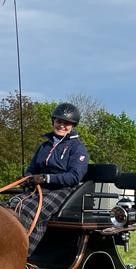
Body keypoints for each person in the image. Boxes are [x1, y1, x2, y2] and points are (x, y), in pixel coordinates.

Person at [12, 102, 89, 257]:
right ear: (53, 121)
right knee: (13, 205)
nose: (62, 126)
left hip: (64, 190)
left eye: (66, 123)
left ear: (72, 126)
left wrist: (46, 178)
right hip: (39, 188)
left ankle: (24, 256)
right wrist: (28, 177)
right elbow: (32, 168)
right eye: (59, 121)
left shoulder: (77, 148)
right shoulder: (44, 145)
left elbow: (74, 176)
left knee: (30, 212)